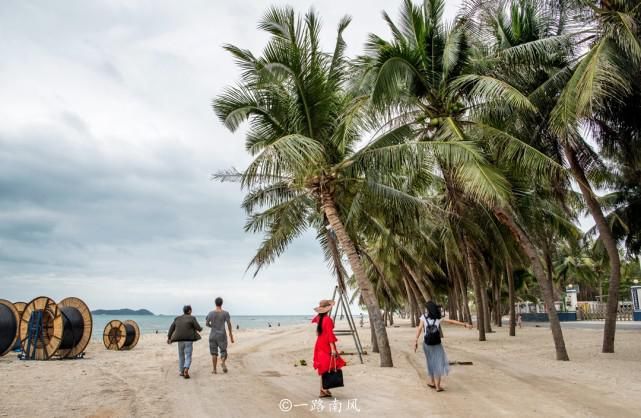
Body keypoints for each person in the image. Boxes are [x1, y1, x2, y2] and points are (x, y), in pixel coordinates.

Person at [414, 301, 471, 392]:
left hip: (427, 345)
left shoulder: (423, 317)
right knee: (438, 364)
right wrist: (464, 324)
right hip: (437, 345)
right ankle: (437, 386)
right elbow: (451, 321)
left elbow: (420, 328)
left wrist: (416, 340)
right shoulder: (438, 318)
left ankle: (433, 382)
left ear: (428, 309)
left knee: (431, 363)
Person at [312, 300, 345, 398]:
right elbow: (330, 335)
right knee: (327, 366)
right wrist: (333, 349)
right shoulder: (327, 319)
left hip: (319, 344)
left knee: (324, 367)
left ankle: (323, 389)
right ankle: (324, 389)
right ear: (328, 309)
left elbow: (316, 321)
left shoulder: (319, 318)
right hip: (326, 345)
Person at [167, 305, 202, 379]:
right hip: (188, 340)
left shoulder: (177, 318)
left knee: (181, 356)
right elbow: (198, 328)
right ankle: (186, 369)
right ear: (189, 311)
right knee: (188, 355)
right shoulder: (192, 318)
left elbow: (171, 328)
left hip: (179, 340)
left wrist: (169, 337)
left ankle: (182, 372)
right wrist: (200, 329)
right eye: (191, 310)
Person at [205, 297, 234, 374]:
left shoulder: (210, 313)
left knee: (214, 353)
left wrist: (213, 326)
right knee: (223, 351)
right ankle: (223, 362)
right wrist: (231, 335)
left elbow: (207, 324)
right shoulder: (225, 313)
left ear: (215, 303)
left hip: (212, 335)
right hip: (222, 335)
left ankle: (214, 370)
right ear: (222, 303)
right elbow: (229, 324)